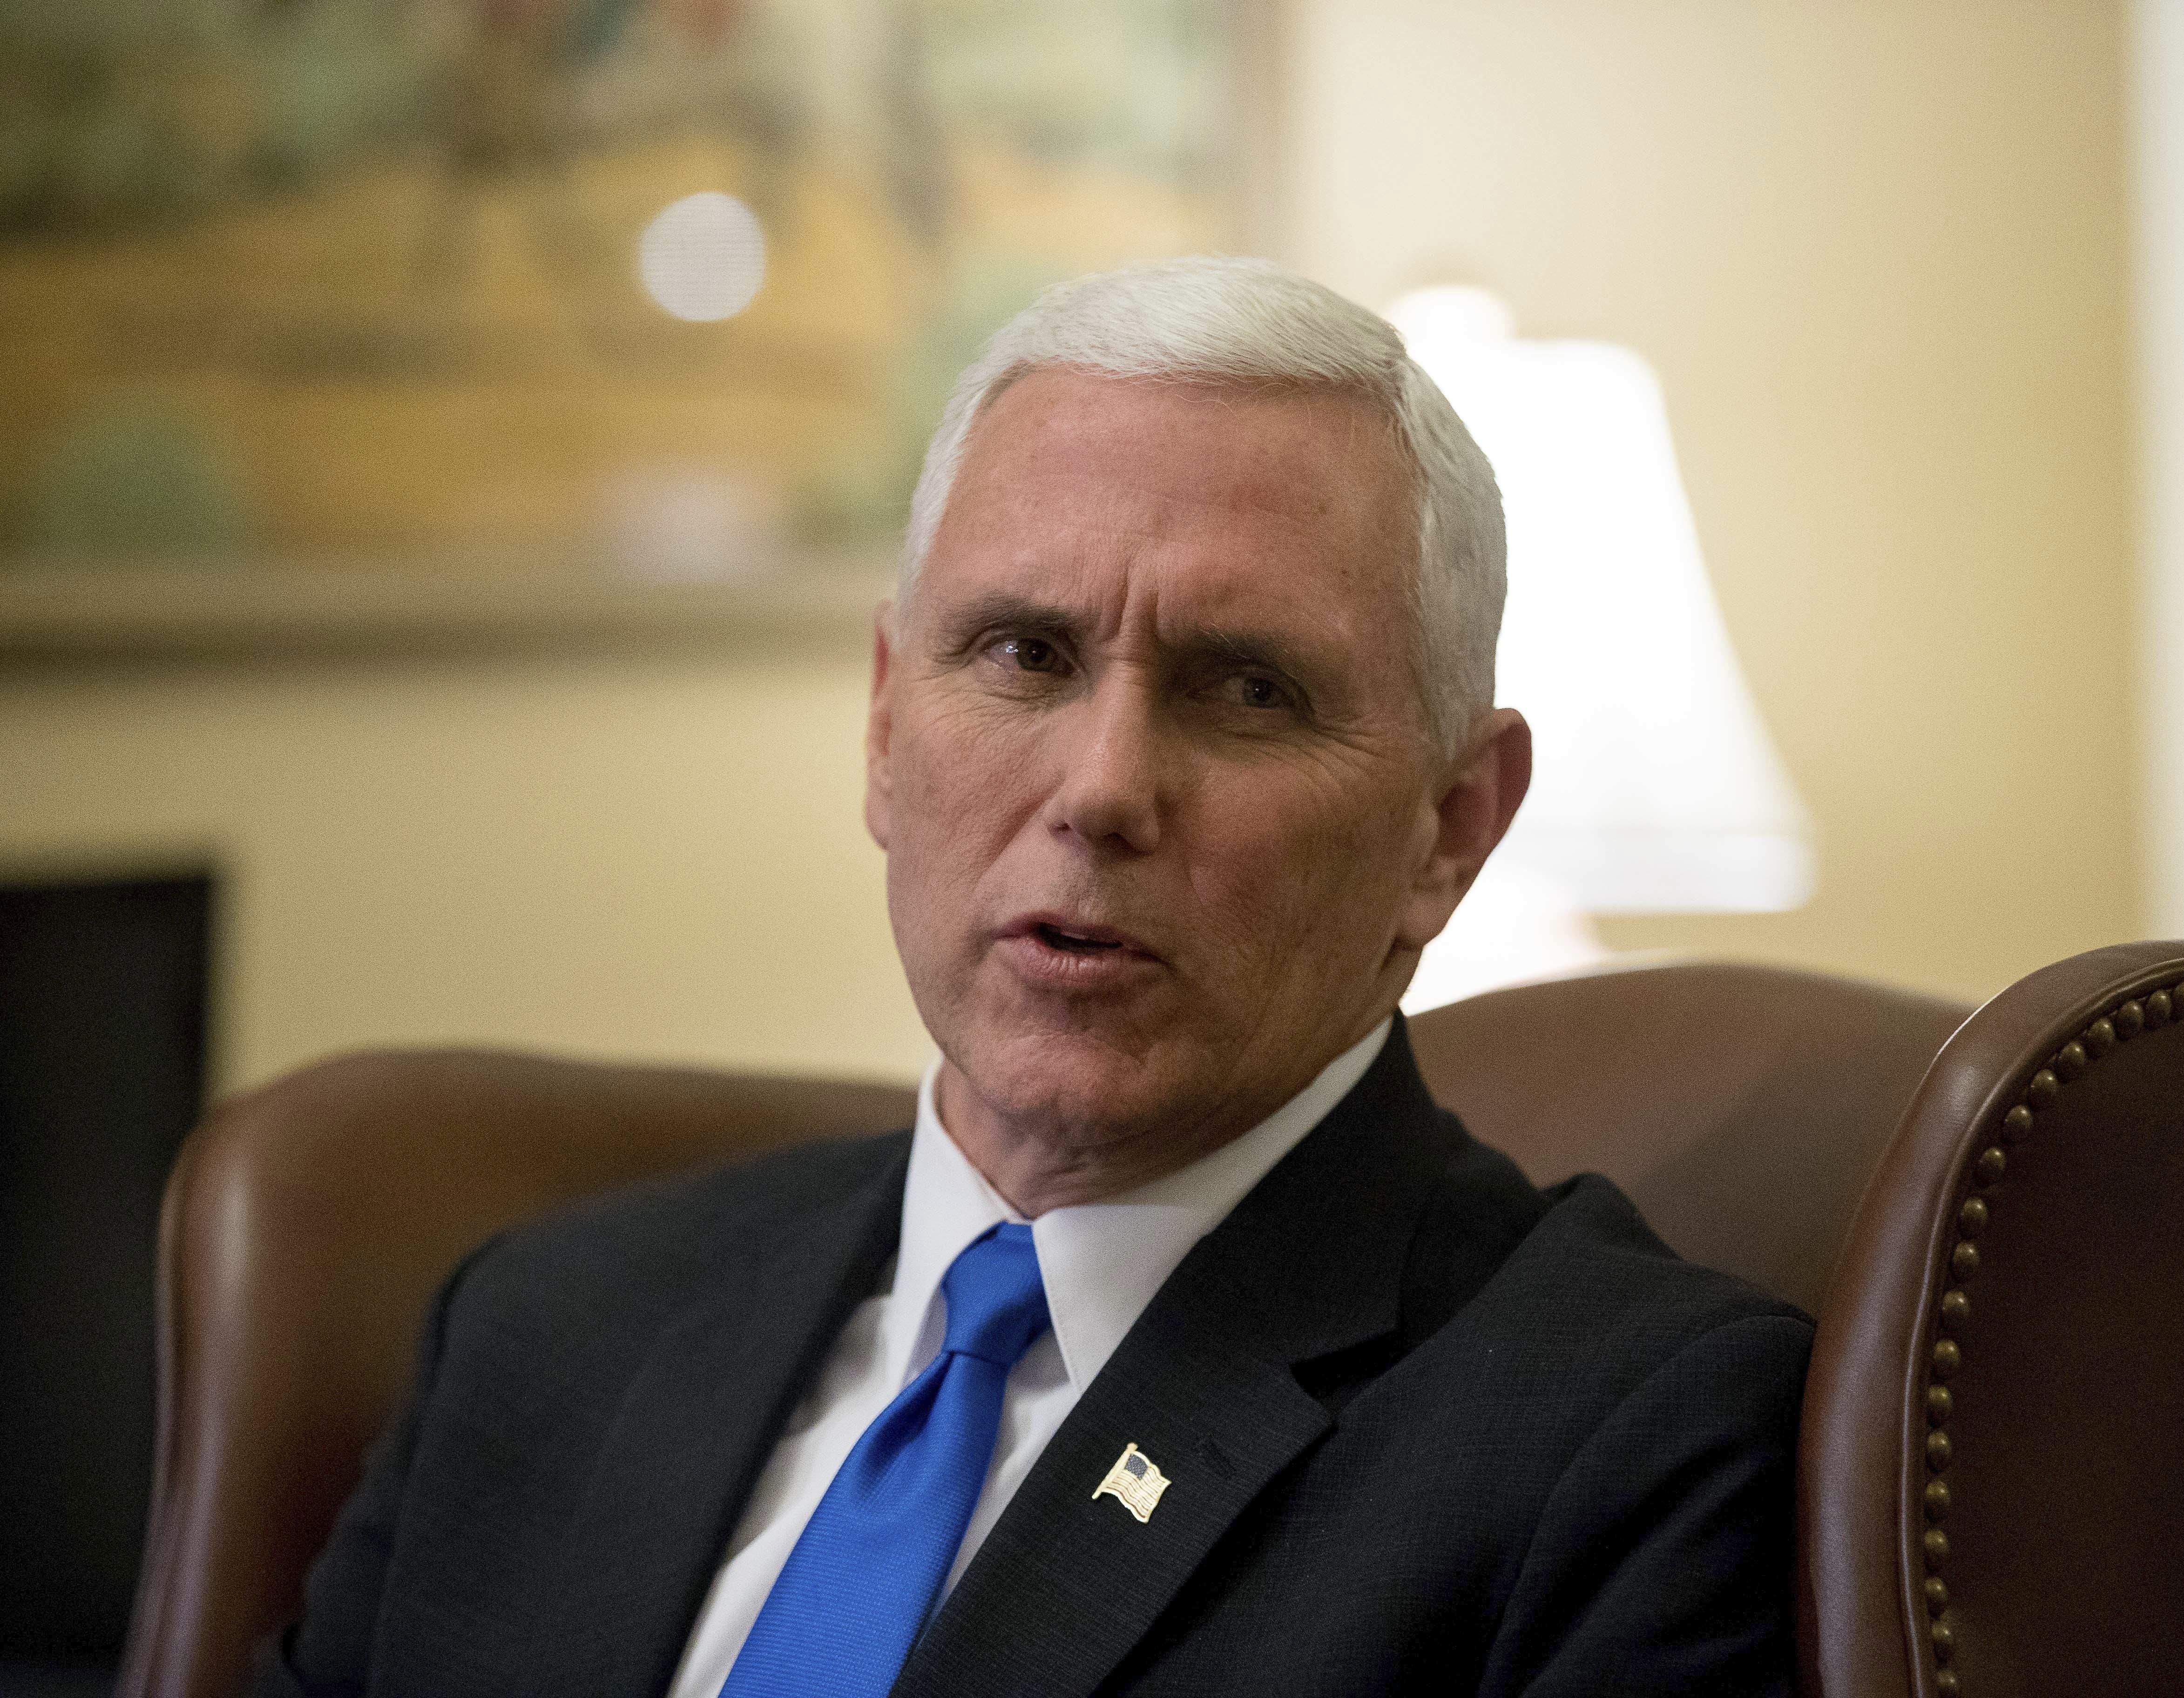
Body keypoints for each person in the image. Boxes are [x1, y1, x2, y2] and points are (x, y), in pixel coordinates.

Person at [259, 257, 1810, 1697]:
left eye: (1248, 688)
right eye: (1022, 655)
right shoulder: (550, 1324)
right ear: (882, 727)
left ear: (1449, 827)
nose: (1103, 787)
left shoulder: (1630, 1443)